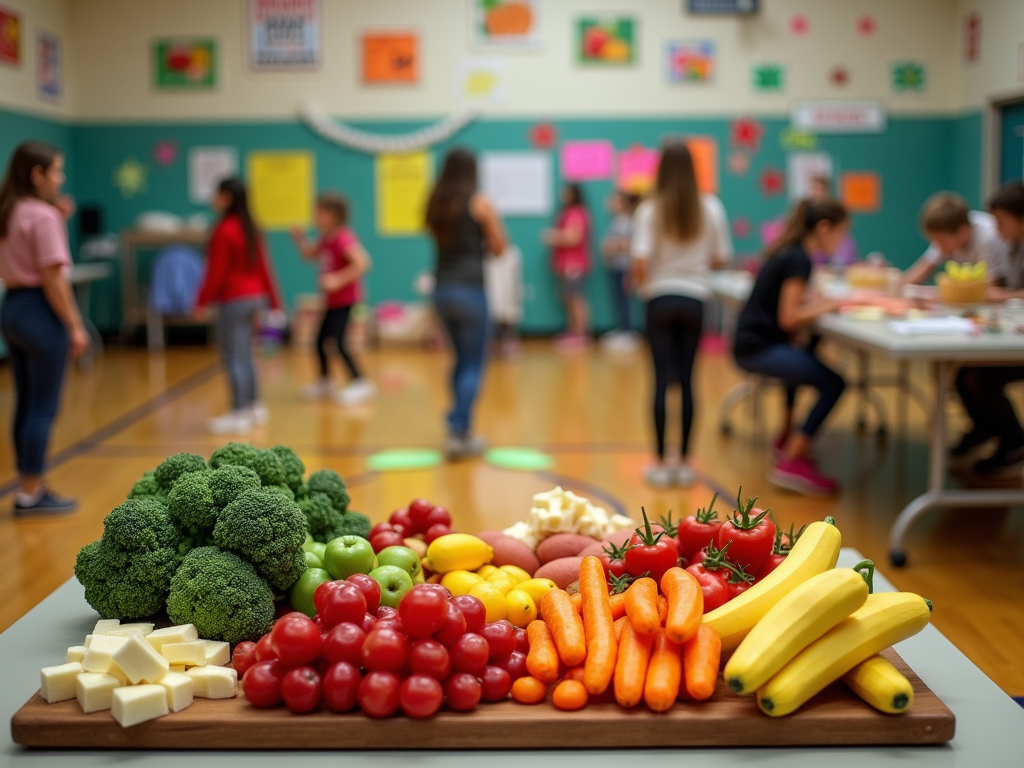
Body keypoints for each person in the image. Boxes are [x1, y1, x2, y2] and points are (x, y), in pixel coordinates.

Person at [733, 199, 855, 496]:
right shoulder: (799, 258)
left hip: (752, 343)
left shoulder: (790, 252)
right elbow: (789, 318)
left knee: (806, 354)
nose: (841, 243)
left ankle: (787, 437)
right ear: (823, 229)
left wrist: (818, 303)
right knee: (834, 383)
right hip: (757, 348)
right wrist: (832, 304)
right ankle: (790, 460)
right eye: (840, 234)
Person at [632, 143, 733, 488]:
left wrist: (649, 283)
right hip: (695, 300)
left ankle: (661, 463)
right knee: (688, 382)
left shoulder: (649, 209)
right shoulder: (711, 207)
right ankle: (686, 463)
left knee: (661, 382)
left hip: (659, 300)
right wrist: (694, 264)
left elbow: (641, 262)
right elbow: (720, 258)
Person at [0, 141, 88, 515]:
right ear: (37, 176)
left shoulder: (11, 210)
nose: (61, 177)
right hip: (40, 309)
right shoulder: (44, 217)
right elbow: (53, 279)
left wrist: (56, 215)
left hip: (13, 308)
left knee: (24, 403)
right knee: (43, 408)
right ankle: (32, 493)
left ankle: (26, 488)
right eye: (56, 171)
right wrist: (76, 325)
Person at [425, 148, 507, 459]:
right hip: (471, 290)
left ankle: (457, 425)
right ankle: (460, 432)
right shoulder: (480, 202)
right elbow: (500, 248)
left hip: (442, 290)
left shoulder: (436, 203)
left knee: (460, 360)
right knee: (474, 362)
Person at [195, 177, 282, 436]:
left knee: (233, 355)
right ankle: (255, 406)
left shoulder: (224, 230)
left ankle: (238, 411)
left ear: (227, 198)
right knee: (246, 353)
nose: (213, 198)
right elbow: (265, 267)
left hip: (233, 300)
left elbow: (216, 271)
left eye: (217, 193)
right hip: (256, 298)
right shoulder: (252, 228)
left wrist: (201, 300)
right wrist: (275, 302)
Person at [952, 181, 1024, 473]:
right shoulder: (1013, 248)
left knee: (981, 380)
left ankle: (1014, 443)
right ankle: (986, 429)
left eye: (1001, 221)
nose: (996, 228)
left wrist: (1003, 296)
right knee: (963, 374)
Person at [291, 192, 375, 406]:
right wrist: (300, 239)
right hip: (331, 301)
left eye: (319, 212)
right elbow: (309, 255)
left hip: (345, 300)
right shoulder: (326, 237)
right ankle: (325, 381)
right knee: (319, 341)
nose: (315, 216)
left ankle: (361, 382)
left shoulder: (342, 237)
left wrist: (338, 279)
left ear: (334, 214)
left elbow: (363, 262)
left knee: (338, 342)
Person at [903, 192, 1006, 285]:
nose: (939, 247)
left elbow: (993, 287)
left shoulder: (988, 237)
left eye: (942, 241)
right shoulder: (946, 233)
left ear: (963, 232)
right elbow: (919, 273)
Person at [543, 183, 592, 351]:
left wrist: (553, 236)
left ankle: (581, 334)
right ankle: (573, 331)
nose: (562, 194)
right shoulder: (569, 212)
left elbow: (574, 237)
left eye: (565, 191)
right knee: (569, 299)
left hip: (574, 265)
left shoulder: (576, 213)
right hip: (566, 265)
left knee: (576, 298)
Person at [601, 189, 640, 351]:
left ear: (623, 204)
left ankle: (628, 332)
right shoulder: (616, 221)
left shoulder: (627, 222)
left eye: (614, 201)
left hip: (625, 267)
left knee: (624, 300)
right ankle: (622, 329)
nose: (610, 204)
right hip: (615, 267)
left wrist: (612, 246)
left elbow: (631, 244)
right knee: (618, 299)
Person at [808, 175, 859, 268]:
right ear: (823, 229)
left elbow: (850, 262)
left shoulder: (844, 239)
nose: (817, 195)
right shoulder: (801, 252)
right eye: (814, 190)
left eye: (821, 191)